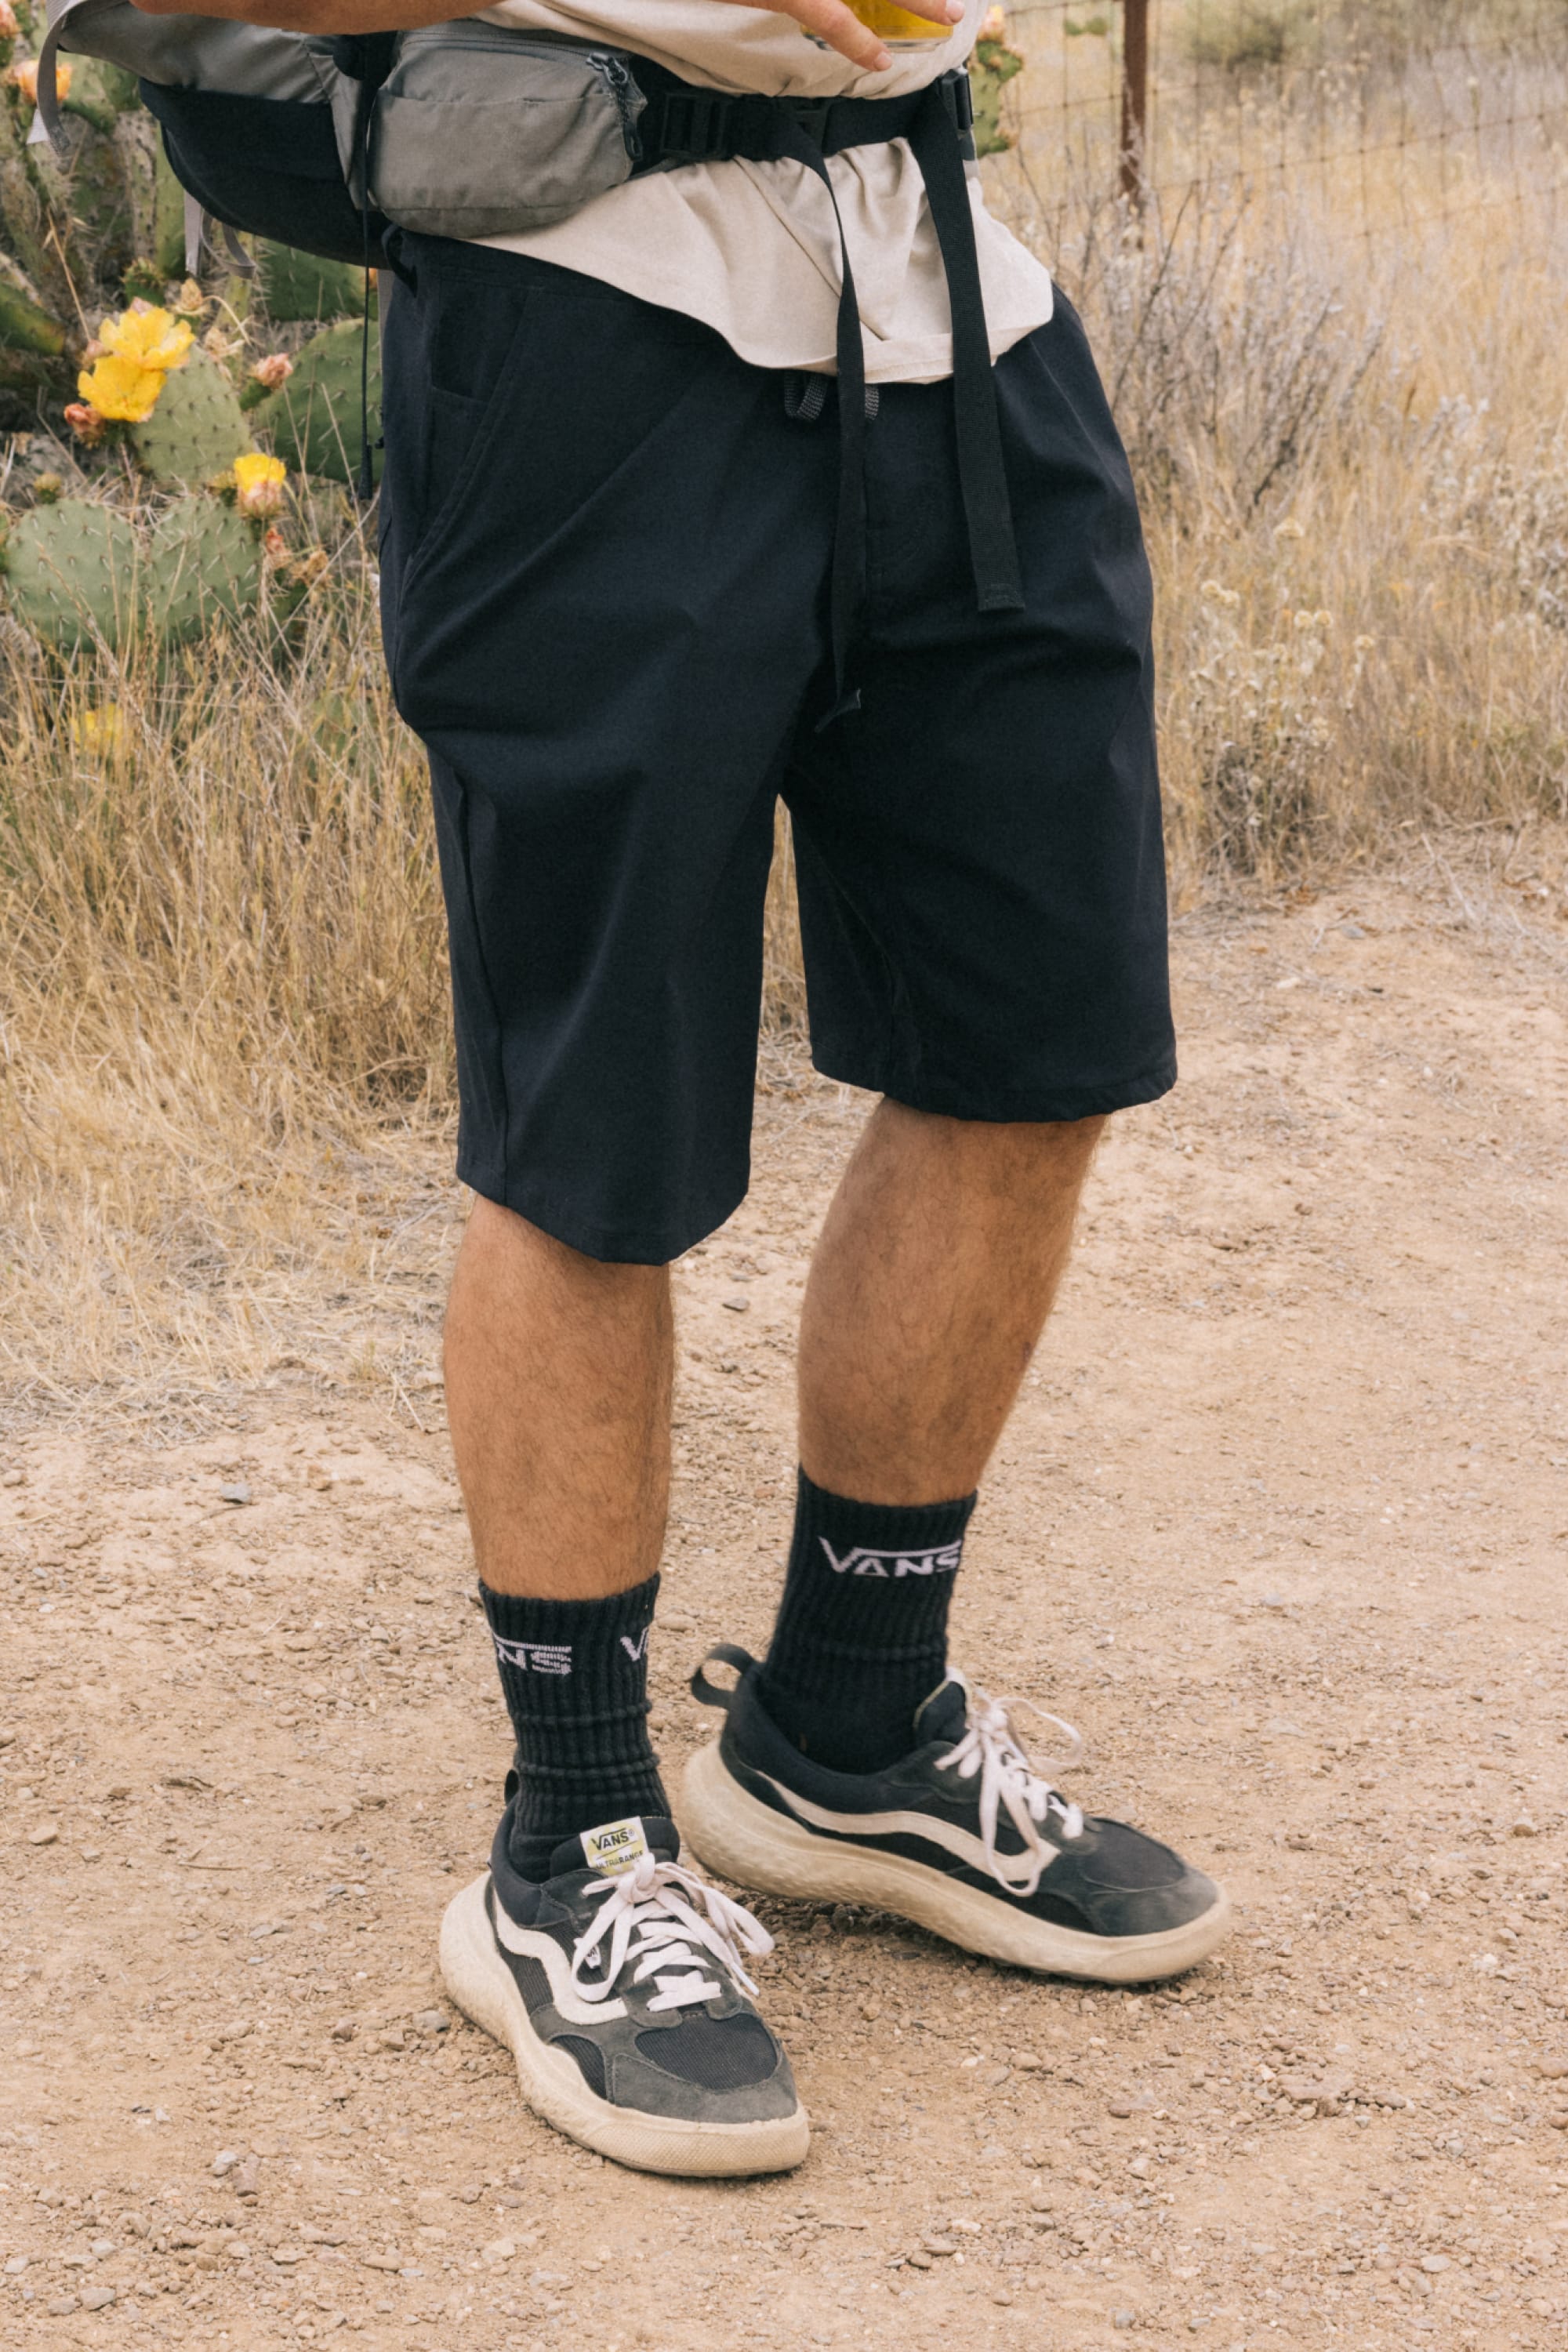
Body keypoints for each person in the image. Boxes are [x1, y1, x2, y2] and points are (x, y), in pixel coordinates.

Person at [139, 0, 1229, 2176]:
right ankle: (568, 1847)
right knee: (592, 1140)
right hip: (591, 324)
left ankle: (846, 1727)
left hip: (950, 294)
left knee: (1033, 1057)